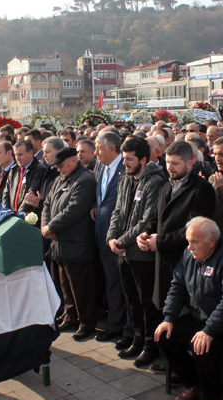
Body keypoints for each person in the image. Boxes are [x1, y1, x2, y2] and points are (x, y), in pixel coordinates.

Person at [155, 217, 223, 400]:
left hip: (222, 323)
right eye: (188, 241)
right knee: (165, 337)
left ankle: (213, 398)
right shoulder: (188, 255)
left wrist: (209, 329)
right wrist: (168, 317)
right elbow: (177, 286)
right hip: (197, 316)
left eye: (195, 242)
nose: (190, 247)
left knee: (202, 347)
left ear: (211, 241)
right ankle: (193, 383)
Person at [106, 136, 166, 367]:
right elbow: (118, 210)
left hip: (142, 254)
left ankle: (152, 345)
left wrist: (121, 240)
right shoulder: (125, 179)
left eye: (129, 160)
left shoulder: (154, 182)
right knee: (132, 300)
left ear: (143, 159)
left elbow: (147, 219)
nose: (124, 164)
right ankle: (138, 339)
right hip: (123, 252)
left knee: (146, 303)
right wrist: (112, 237)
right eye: (123, 159)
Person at [140, 141, 216, 311]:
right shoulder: (166, 184)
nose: (170, 167)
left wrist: (160, 241)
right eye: (168, 162)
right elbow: (157, 216)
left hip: (185, 263)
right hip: (163, 262)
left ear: (190, 163)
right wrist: (145, 233)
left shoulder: (202, 189)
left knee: (181, 317)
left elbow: (194, 230)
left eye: (175, 163)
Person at [42, 147, 97, 340]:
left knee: (81, 286)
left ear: (73, 160)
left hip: (76, 243)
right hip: (59, 243)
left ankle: (86, 322)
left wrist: (52, 227)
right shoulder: (60, 179)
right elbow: (47, 203)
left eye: (62, 165)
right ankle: (71, 315)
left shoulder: (84, 180)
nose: (59, 169)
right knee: (65, 284)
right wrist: (46, 225)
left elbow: (75, 209)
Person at [92, 132, 132, 348]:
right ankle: (115, 325)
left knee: (126, 286)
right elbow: (101, 197)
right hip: (102, 236)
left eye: (98, 148)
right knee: (112, 285)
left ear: (112, 149)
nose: (95, 152)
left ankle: (129, 329)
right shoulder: (100, 167)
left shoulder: (125, 168)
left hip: (120, 238)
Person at [1, 140, 47, 214]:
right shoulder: (14, 169)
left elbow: (30, 194)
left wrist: (18, 216)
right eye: (16, 155)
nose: (17, 158)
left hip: (27, 217)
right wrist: (7, 212)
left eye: (20, 155)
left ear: (31, 153)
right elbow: (6, 193)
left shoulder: (39, 169)